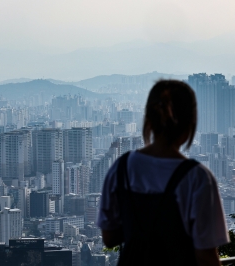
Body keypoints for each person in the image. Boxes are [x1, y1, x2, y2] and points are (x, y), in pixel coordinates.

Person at [97, 80, 229, 266]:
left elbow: (109, 238)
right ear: (189, 126)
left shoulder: (121, 168)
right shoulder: (197, 178)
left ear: (149, 121)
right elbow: (206, 256)